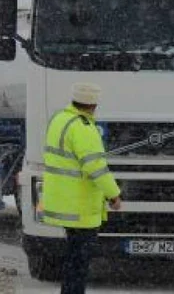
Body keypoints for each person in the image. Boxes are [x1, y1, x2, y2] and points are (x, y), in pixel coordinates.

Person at [41, 82, 122, 294]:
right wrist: (114, 194)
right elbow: (96, 167)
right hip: (80, 206)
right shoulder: (83, 127)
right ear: (93, 105)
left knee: (72, 257)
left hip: (63, 201)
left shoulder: (60, 119)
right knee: (79, 262)